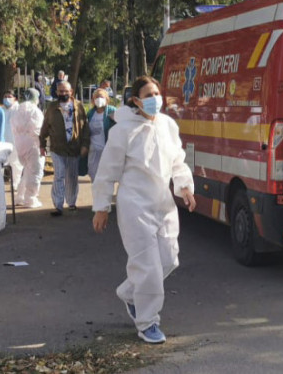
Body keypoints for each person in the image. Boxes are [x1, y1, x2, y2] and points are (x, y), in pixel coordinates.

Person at [92, 75, 196, 344]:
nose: (155, 99)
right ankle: (147, 322)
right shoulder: (123, 130)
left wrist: (185, 187)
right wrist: (102, 207)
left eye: (157, 93)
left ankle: (130, 292)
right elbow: (107, 171)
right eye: (148, 95)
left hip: (163, 204)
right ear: (136, 101)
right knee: (148, 266)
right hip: (134, 205)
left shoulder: (167, 126)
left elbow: (177, 160)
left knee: (169, 259)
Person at [39, 80, 89, 216]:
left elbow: (85, 127)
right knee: (59, 175)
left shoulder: (78, 106)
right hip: (57, 148)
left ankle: (71, 203)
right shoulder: (52, 107)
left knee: (72, 177)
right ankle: (58, 205)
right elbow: (45, 127)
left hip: (74, 148)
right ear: (56, 92)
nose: (63, 93)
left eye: (66, 91)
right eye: (61, 91)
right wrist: (42, 144)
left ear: (71, 92)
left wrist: (85, 144)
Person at [11, 89, 45, 208]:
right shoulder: (35, 111)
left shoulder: (17, 110)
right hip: (33, 143)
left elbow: (13, 127)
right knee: (35, 171)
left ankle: (20, 196)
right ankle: (30, 198)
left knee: (26, 171)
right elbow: (38, 129)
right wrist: (43, 144)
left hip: (19, 143)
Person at [86, 88, 116, 182]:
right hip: (93, 150)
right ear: (93, 100)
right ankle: (97, 195)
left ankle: (105, 196)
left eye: (101, 97)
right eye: (96, 97)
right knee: (93, 174)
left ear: (107, 99)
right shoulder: (91, 113)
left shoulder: (112, 111)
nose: (99, 99)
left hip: (106, 149)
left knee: (106, 177)